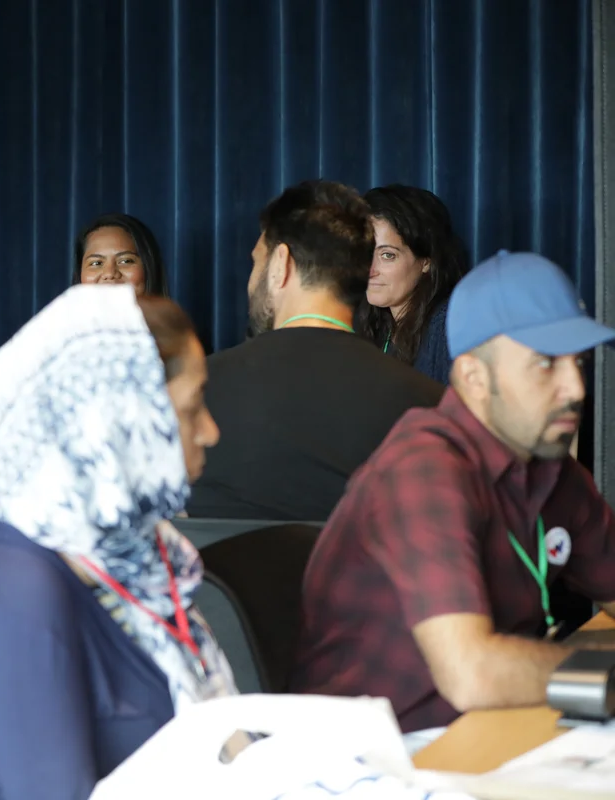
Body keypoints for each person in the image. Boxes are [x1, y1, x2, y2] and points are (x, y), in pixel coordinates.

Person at [0, 284, 237, 800]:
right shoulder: (12, 594)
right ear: (117, 426)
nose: (209, 431)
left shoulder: (125, 547)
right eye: (192, 405)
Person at [291, 251, 615, 737]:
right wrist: (598, 669)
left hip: (491, 728)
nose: (574, 388)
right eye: (545, 364)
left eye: (579, 362)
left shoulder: (550, 465)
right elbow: (473, 674)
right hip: (384, 754)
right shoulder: (424, 467)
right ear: (473, 378)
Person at [187, 180, 444, 521]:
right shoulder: (429, 403)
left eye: (256, 263)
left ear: (280, 264)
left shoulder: (194, 391)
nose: (250, 282)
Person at [359, 185, 469, 384]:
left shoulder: (446, 329)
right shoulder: (375, 323)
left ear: (427, 261)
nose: (370, 269)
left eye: (387, 255)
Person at [72, 213, 169, 296]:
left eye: (125, 261)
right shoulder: (59, 317)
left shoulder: (175, 318)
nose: (109, 273)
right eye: (96, 263)